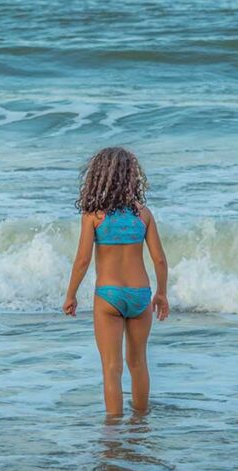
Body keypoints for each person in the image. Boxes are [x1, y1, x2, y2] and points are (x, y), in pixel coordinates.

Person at [62, 147, 169, 416]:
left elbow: (83, 261)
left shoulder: (94, 216)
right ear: (133, 177)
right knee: (138, 363)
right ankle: (141, 425)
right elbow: (159, 260)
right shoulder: (143, 214)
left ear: (98, 177)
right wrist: (162, 293)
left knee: (111, 368)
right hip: (140, 294)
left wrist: (71, 295)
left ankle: (112, 431)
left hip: (108, 296)